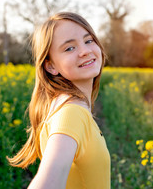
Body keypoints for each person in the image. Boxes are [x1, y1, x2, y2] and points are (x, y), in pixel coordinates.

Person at [7, 12, 111, 189]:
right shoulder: (72, 111)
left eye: (88, 40)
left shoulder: (61, 104)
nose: (85, 51)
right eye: (70, 48)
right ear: (51, 66)